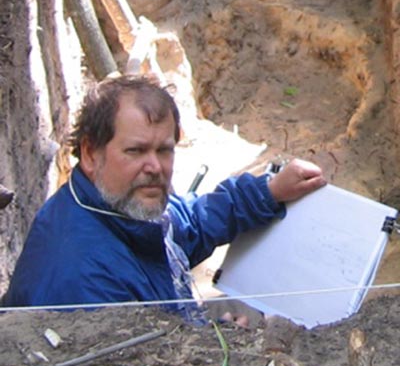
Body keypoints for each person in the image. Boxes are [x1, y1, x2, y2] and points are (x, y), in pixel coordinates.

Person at [2, 75, 326, 322]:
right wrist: (215, 347)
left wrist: (269, 191)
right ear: (90, 153)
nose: (155, 167)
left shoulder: (117, 205)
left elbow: (191, 223)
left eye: (164, 150)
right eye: (136, 151)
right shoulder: (81, 280)